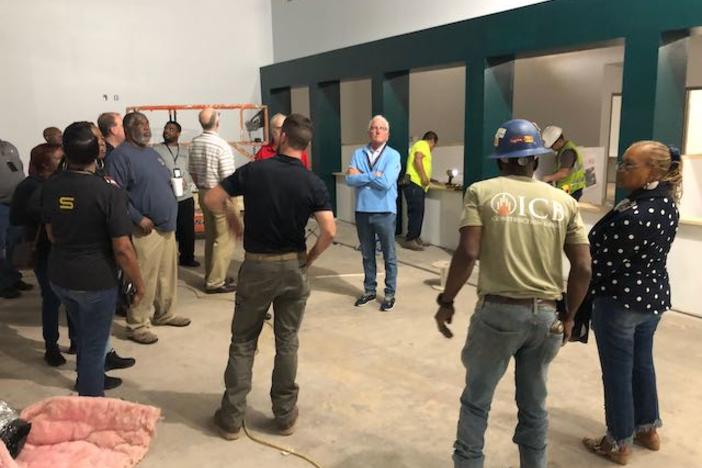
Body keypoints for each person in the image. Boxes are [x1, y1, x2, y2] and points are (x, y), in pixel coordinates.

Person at [434, 119, 592, 468]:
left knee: (477, 401)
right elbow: (583, 268)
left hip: (498, 315)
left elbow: (468, 252)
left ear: (500, 159)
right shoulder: (563, 202)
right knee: (534, 407)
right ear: (536, 158)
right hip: (547, 319)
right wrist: (569, 317)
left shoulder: (481, 192)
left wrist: (447, 301)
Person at [206, 114, 336, 440]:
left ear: (281, 139)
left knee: (243, 341)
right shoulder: (313, 182)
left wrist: (234, 219)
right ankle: (284, 415)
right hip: (294, 267)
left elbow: (212, 198)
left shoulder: (255, 170)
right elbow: (329, 231)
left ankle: (232, 419)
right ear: (306, 146)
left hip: (258, 267)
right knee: (287, 341)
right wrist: (308, 258)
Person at [581, 141, 682, 465]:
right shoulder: (664, 202)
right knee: (641, 364)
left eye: (628, 164)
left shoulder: (636, 213)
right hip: (651, 300)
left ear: (652, 171)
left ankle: (618, 442)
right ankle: (647, 430)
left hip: (619, 301)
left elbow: (603, 262)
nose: (620, 169)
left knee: (617, 373)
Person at [41, 121, 145, 396]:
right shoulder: (108, 191)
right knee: (94, 344)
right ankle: (90, 400)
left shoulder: (52, 184)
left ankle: (88, 380)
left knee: (86, 336)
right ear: (95, 152)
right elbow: (122, 248)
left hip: (61, 276)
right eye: (98, 139)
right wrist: (139, 283)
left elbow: (52, 233)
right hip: (95, 281)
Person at [106, 112, 191, 345]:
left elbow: (159, 181)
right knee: (143, 277)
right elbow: (116, 195)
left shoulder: (152, 153)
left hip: (166, 226)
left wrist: (177, 184)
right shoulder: (120, 157)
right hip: (145, 228)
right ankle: (137, 324)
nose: (145, 128)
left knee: (167, 275)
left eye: (146, 124)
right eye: (139, 125)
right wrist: (137, 217)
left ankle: (165, 313)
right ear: (127, 128)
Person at [10, 143, 76, 366]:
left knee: (70, 300)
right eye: (59, 158)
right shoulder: (34, 186)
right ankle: (51, 347)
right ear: (45, 164)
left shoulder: (53, 184)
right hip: (46, 253)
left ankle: (75, 341)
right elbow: (24, 215)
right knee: (52, 300)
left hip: (60, 251)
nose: (64, 160)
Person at [345, 115, 401, 311]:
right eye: (374, 128)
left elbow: (386, 183)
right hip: (362, 211)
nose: (377, 131)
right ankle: (369, 290)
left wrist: (361, 176)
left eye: (381, 128)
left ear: (387, 133)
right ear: (369, 132)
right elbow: (349, 180)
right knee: (367, 254)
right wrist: (372, 175)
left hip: (384, 211)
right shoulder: (359, 153)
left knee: (389, 254)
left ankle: (389, 293)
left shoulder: (393, 156)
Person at [189, 108, 238, 293]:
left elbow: (192, 171)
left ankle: (213, 274)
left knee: (211, 237)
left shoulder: (194, 143)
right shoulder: (221, 145)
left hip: (203, 192)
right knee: (225, 239)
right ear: (217, 122)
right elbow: (228, 177)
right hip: (221, 194)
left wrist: (203, 189)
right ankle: (216, 281)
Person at [153, 121, 199, 267]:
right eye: (166, 128)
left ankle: (187, 258)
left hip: (185, 196)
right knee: (167, 230)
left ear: (178, 133)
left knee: (187, 230)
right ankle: (167, 260)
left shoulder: (185, 150)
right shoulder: (156, 149)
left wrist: (188, 181)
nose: (167, 131)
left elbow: (191, 169)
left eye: (171, 129)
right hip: (166, 196)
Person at [0, 137, 32, 299]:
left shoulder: (9, 147)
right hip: (1, 206)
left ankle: (13, 277)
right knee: (2, 248)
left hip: (16, 204)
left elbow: (18, 167)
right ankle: (3, 284)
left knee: (14, 244)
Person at [402, 131, 438, 251]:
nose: (433, 148)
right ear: (432, 141)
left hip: (417, 186)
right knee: (415, 213)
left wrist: (428, 178)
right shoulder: (422, 144)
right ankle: (410, 239)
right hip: (414, 184)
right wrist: (423, 177)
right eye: (434, 145)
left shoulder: (420, 145)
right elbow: (418, 159)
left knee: (419, 212)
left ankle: (416, 237)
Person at [541, 125, 587, 201]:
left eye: (552, 145)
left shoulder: (567, 152)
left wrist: (548, 178)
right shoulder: (564, 148)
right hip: (571, 187)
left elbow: (564, 173)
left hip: (571, 189)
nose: (551, 148)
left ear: (559, 141)